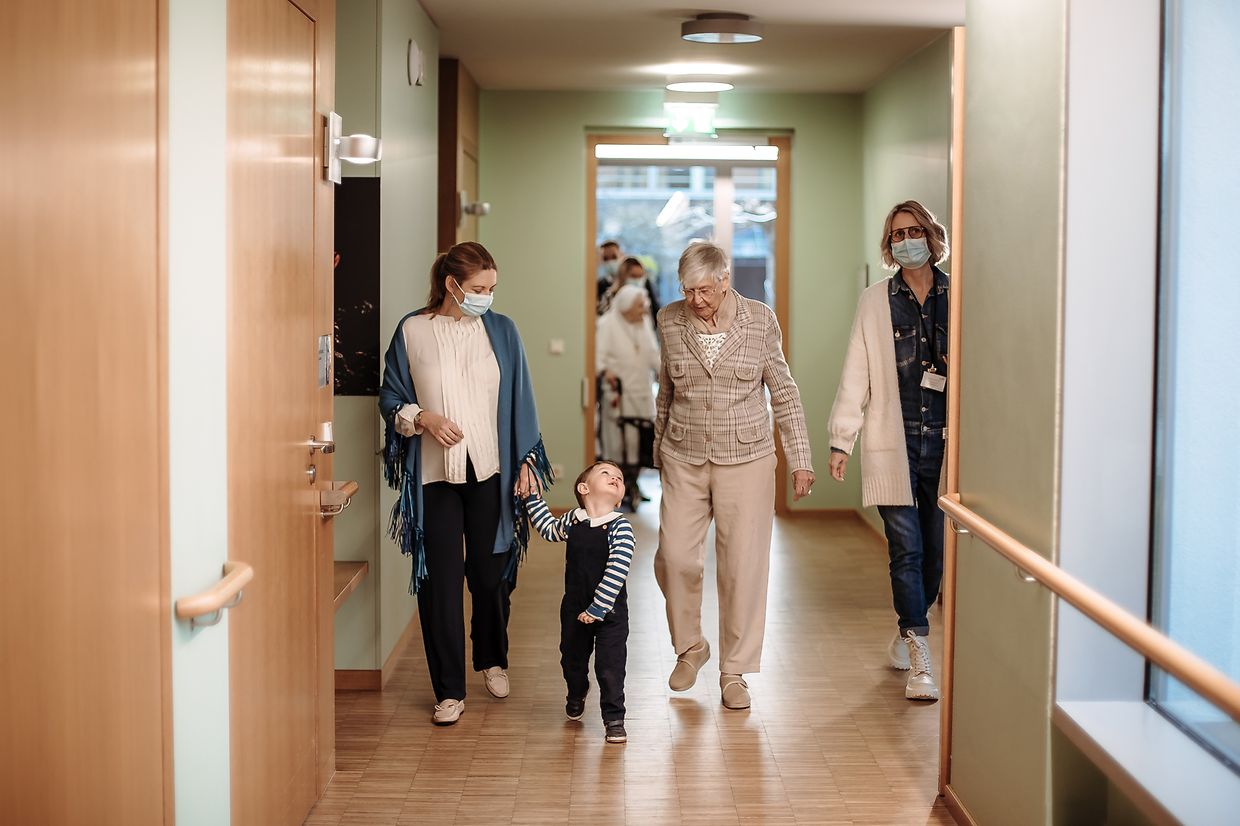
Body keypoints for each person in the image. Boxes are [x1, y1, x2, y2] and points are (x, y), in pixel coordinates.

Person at [378, 241, 553, 726]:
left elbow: (522, 399)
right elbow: (391, 396)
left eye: (492, 288)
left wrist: (526, 461)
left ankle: (492, 657)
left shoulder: (501, 330)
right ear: (451, 284)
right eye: (479, 288)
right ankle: (449, 690)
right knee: (439, 585)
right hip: (434, 477)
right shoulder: (412, 330)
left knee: (491, 575)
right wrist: (422, 418)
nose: (487, 297)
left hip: (492, 471)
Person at [653, 241, 815, 710]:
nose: (696, 299)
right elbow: (665, 391)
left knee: (743, 566)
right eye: (688, 290)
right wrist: (658, 451)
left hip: (747, 457)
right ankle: (691, 647)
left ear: (726, 281)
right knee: (673, 557)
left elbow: (783, 391)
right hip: (683, 454)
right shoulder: (669, 319)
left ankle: (734, 671)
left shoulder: (760, 319)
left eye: (704, 290)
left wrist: (800, 457)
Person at [827, 199, 950, 702]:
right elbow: (856, 371)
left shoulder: (958, 294)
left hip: (946, 445)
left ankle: (909, 627)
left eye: (914, 231)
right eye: (897, 235)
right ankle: (919, 649)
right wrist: (841, 439)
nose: (906, 241)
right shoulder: (875, 301)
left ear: (932, 236)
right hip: (891, 442)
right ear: (889, 245)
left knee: (936, 555)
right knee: (906, 550)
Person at [524, 460, 634, 744]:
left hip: (609, 613)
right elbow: (549, 529)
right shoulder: (574, 520)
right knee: (571, 659)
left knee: (610, 666)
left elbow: (617, 570)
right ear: (584, 488)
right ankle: (576, 690)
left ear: (620, 497)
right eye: (605, 473)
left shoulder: (620, 527)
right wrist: (532, 498)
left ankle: (614, 717)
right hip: (574, 608)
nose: (614, 477)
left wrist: (598, 607)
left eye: (619, 477)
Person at [596, 283, 660, 509]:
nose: (643, 310)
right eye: (639, 306)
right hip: (618, 394)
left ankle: (633, 485)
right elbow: (598, 359)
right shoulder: (606, 324)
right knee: (619, 443)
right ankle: (618, 489)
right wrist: (607, 372)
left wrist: (665, 373)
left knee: (640, 443)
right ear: (625, 306)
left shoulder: (643, 324)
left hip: (642, 392)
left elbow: (654, 355)